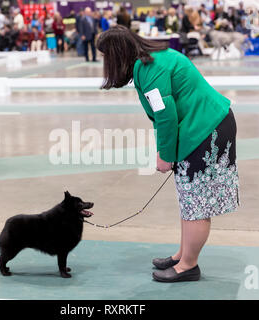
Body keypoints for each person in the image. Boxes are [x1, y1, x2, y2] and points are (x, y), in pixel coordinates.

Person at [96, 26, 239, 283]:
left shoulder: (150, 69)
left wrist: (164, 154)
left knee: (197, 204)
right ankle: (182, 255)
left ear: (117, 53)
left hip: (208, 129)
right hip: (201, 127)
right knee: (188, 199)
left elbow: (165, 116)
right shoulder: (151, 59)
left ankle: (188, 266)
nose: (105, 63)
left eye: (106, 56)